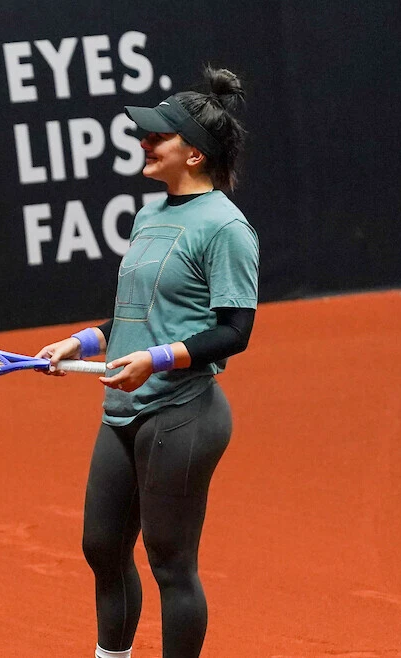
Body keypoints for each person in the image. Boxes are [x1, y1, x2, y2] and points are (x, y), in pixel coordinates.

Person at [36, 66, 258, 658]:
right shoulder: (150, 216)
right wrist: (82, 342)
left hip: (184, 414)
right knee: (102, 547)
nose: (144, 143)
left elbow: (235, 330)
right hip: (125, 407)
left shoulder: (227, 228)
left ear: (194, 154)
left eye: (158, 136)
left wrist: (158, 360)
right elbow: (138, 316)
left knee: (170, 563)